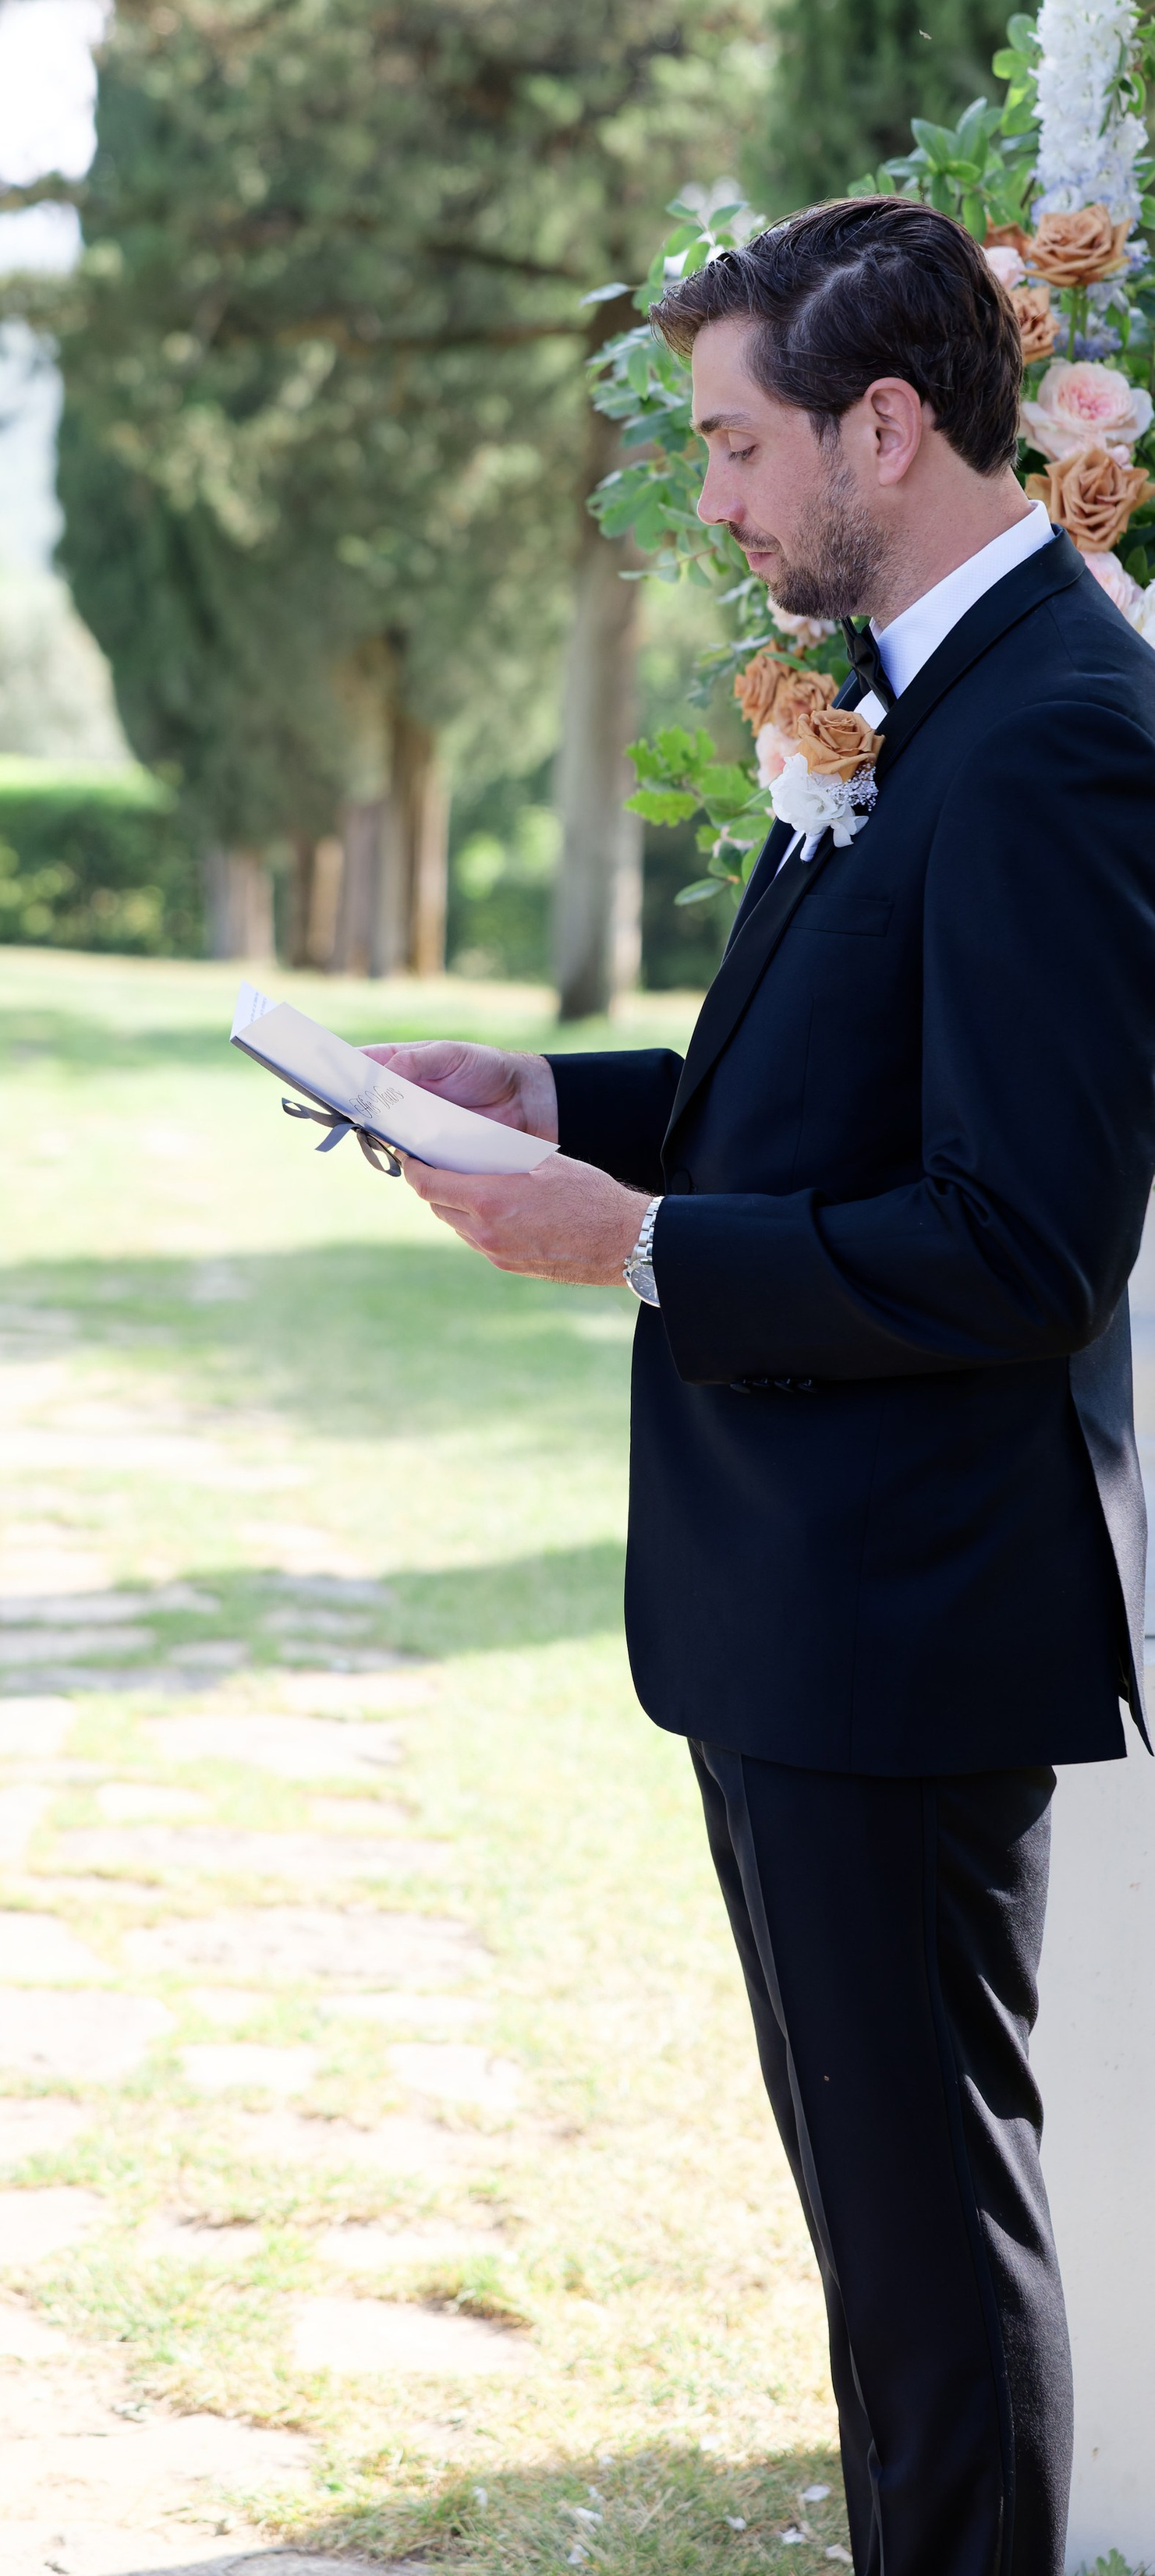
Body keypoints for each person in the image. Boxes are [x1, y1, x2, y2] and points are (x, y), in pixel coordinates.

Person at [373, 196, 1155, 2576]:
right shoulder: (929, 689)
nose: (710, 502)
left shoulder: (1051, 734)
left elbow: (1021, 1243)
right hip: (811, 1601)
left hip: (901, 1612)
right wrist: (558, 1090)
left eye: (734, 447)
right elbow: (841, 1085)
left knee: (927, 2245)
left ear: (884, 426)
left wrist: (637, 1254)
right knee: (882, 2235)